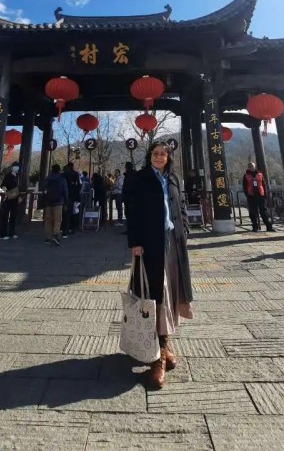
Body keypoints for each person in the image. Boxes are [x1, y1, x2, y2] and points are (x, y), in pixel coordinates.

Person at [126, 141, 193, 390]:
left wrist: (184, 230)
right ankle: (157, 357)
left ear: (169, 157)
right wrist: (135, 242)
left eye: (163, 154)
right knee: (156, 294)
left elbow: (180, 206)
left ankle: (164, 346)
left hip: (173, 242)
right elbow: (132, 211)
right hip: (150, 243)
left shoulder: (173, 178)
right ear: (149, 156)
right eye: (155, 153)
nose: (159, 157)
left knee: (172, 292)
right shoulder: (141, 179)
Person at [242, 162, 274, 232]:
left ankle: (269, 226)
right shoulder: (246, 176)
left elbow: (263, 184)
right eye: (250, 166)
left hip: (260, 195)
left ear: (255, 166)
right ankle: (255, 227)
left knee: (264, 211)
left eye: (253, 166)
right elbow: (244, 186)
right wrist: (247, 195)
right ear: (248, 167)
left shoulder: (260, 174)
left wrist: (265, 194)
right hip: (251, 196)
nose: (252, 167)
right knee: (253, 212)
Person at [42, 163, 69, 246]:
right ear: (59, 170)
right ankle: (55, 234)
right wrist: (66, 202)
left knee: (48, 220)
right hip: (58, 202)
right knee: (58, 220)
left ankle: (48, 237)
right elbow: (65, 191)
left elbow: (44, 190)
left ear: (52, 170)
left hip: (48, 202)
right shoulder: (62, 179)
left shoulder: (47, 179)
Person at [0, 163, 21, 240]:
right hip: (8, 197)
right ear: (12, 168)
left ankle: (12, 233)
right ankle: (3, 234)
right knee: (5, 216)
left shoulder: (18, 177)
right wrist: (6, 191)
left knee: (13, 216)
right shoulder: (8, 176)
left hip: (15, 197)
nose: (17, 168)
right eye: (15, 167)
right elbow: (3, 186)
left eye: (18, 167)